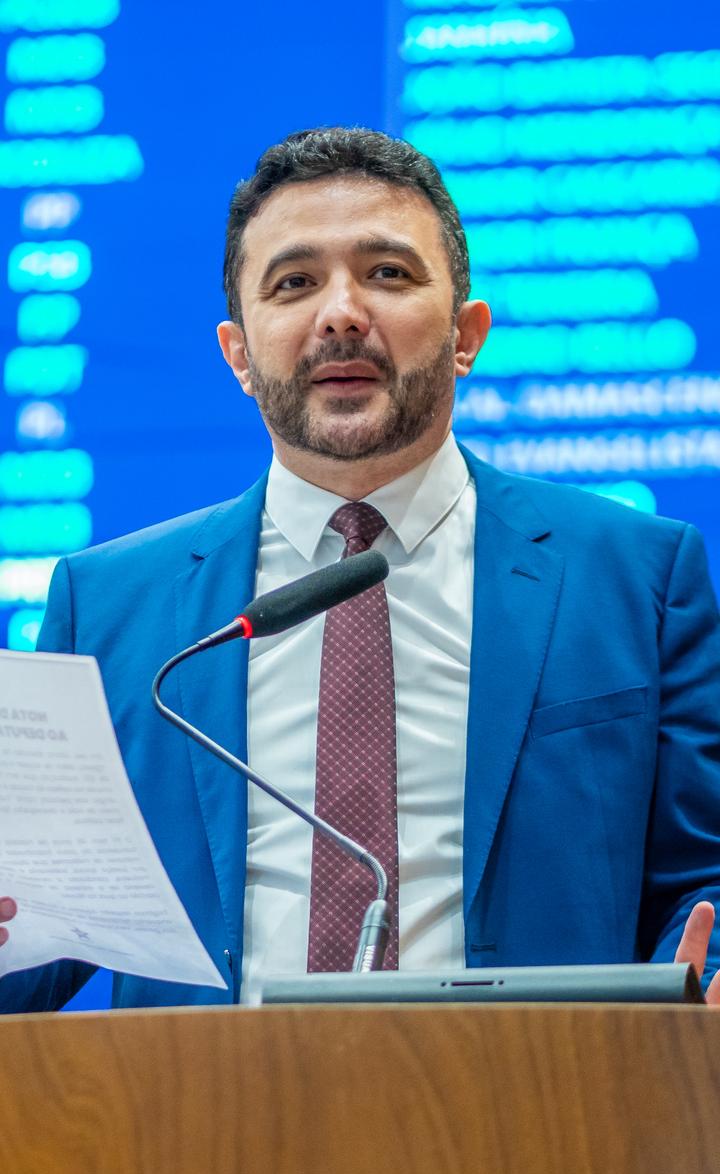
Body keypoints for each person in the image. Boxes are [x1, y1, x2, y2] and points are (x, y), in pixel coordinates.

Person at [1, 127, 719, 1011]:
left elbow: (700, 877)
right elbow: (46, 933)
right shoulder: (111, 606)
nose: (341, 314)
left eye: (387, 273)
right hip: (202, 1095)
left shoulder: (637, 576)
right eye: (294, 283)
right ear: (239, 355)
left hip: (536, 1087)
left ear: (465, 335)